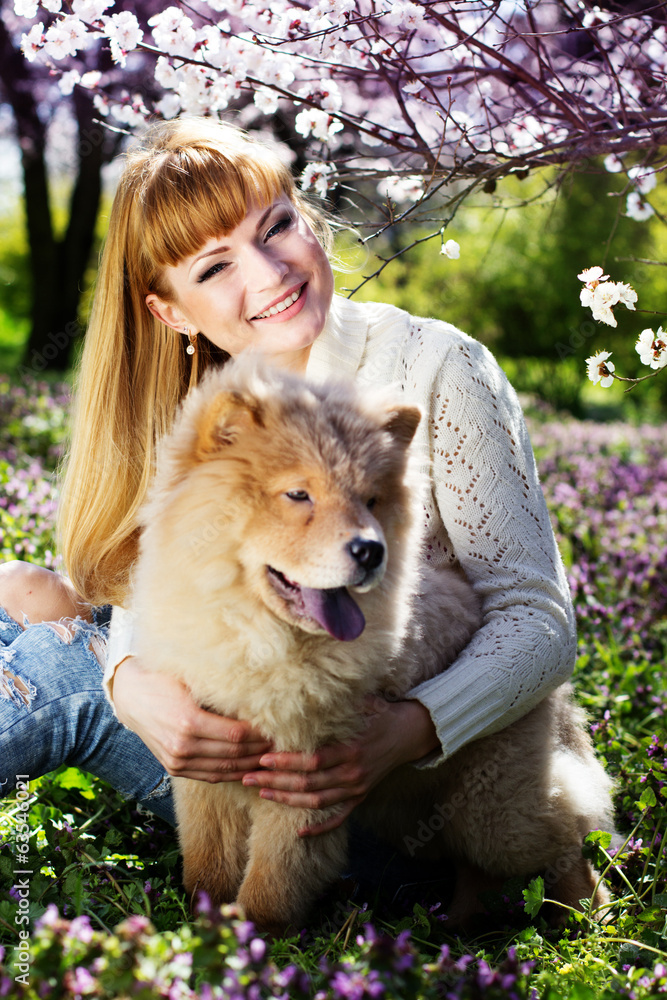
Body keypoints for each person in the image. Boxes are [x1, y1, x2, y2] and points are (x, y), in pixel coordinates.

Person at [0, 118, 576, 851]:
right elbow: (161, 588)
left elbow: (538, 618)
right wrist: (128, 678)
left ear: (307, 217)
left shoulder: (435, 366)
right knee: (19, 592)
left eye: (274, 227)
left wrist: (409, 732)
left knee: (55, 669)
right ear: (170, 312)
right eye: (214, 268)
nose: (269, 273)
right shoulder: (210, 407)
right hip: (240, 744)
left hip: (366, 797)